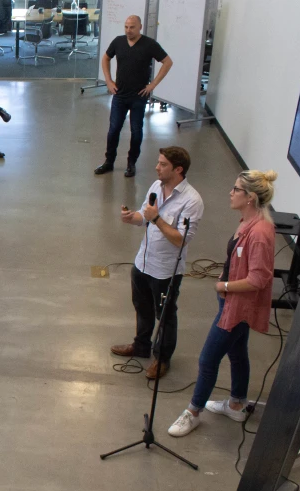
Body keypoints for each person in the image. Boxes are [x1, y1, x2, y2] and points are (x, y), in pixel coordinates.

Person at [168, 171, 277, 438]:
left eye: (236, 189)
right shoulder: (248, 221)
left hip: (238, 307)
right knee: (238, 352)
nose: (230, 192)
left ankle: (192, 413)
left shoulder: (260, 233)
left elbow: (259, 278)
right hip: (231, 301)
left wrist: (224, 286)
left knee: (208, 359)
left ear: (249, 198)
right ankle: (237, 404)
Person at [111, 147, 204, 379]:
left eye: (163, 164)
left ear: (178, 169)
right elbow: (144, 216)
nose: (157, 167)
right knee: (142, 308)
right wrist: (132, 217)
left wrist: (157, 219)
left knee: (165, 315)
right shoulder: (156, 186)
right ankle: (141, 346)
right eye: (158, 162)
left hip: (166, 271)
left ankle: (162, 358)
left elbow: (180, 240)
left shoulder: (192, 201)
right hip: (143, 262)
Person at [95, 15, 173, 178]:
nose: (128, 30)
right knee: (113, 129)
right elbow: (105, 58)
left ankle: (131, 163)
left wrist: (153, 85)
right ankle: (109, 162)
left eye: (132, 27)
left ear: (140, 27)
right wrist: (108, 81)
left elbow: (167, 62)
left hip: (138, 96)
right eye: (126, 27)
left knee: (136, 131)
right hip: (120, 95)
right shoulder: (118, 41)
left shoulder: (149, 44)